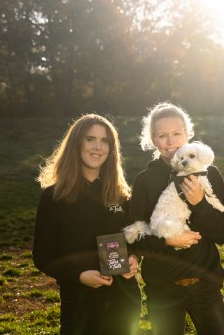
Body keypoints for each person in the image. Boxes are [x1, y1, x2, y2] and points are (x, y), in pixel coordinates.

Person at [126, 102, 224, 335]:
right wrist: (166, 241)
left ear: (187, 133)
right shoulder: (145, 181)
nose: (170, 141)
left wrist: (200, 205)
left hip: (205, 284)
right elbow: (135, 237)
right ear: (153, 139)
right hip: (163, 289)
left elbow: (223, 233)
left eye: (177, 133)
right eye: (162, 135)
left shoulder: (209, 173)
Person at [33, 114, 141, 335]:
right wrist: (79, 276)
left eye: (104, 141)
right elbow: (43, 256)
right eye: (90, 139)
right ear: (77, 144)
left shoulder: (121, 194)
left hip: (124, 300)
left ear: (111, 149)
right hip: (79, 302)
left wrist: (135, 258)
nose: (98, 147)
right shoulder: (54, 196)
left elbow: (135, 239)